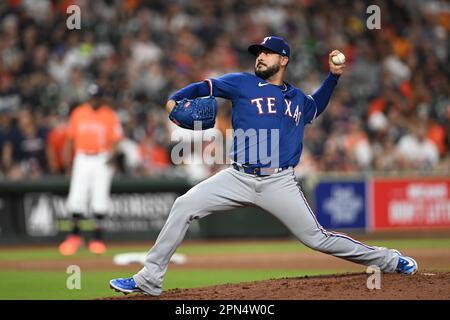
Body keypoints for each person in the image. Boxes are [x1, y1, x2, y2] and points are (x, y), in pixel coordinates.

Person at [110, 36, 418, 295]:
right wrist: (174, 100)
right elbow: (204, 87)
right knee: (183, 204)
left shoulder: (297, 99)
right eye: (258, 53)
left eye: (267, 53)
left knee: (318, 238)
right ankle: (150, 279)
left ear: (283, 60)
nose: (260, 57)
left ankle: (389, 260)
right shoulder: (241, 83)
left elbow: (316, 106)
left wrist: (333, 77)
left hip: (278, 182)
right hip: (237, 175)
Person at [58, 83, 123, 256]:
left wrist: (112, 156)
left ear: (101, 98)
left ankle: (97, 238)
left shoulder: (109, 115)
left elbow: (117, 140)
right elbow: (70, 140)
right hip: (82, 157)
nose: (94, 100)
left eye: (97, 97)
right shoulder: (78, 113)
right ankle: (74, 236)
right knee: (76, 197)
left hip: (102, 157)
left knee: (99, 199)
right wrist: (68, 163)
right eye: (92, 97)